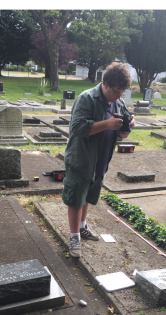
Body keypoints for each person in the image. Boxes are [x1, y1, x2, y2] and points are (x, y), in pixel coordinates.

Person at [63, 62, 136, 257]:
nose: (119, 97)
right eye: (116, 92)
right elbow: (77, 128)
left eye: (122, 93)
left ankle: (83, 226)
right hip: (81, 158)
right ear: (105, 83)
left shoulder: (118, 103)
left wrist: (127, 126)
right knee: (76, 198)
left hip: (101, 159)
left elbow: (122, 136)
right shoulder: (87, 98)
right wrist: (107, 124)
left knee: (87, 195)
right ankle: (74, 237)